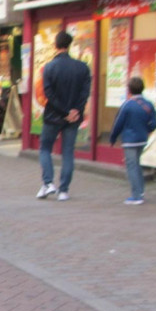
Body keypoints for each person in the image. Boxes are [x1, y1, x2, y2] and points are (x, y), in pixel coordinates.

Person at [37, 31, 91, 200]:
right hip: (73, 118)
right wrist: (75, 110)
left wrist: (63, 111)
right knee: (68, 152)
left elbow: (48, 94)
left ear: (55, 45)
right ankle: (64, 190)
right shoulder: (82, 67)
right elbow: (85, 93)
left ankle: (48, 183)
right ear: (69, 45)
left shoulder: (49, 67)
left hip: (53, 116)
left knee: (45, 148)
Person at [109, 77, 156, 205]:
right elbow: (155, 122)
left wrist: (113, 138)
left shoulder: (127, 105)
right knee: (137, 165)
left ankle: (136, 196)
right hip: (142, 139)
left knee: (131, 166)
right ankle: (140, 191)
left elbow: (118, 124)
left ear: (129, 89)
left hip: (129, 140)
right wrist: (147, 129)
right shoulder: (148, 104)